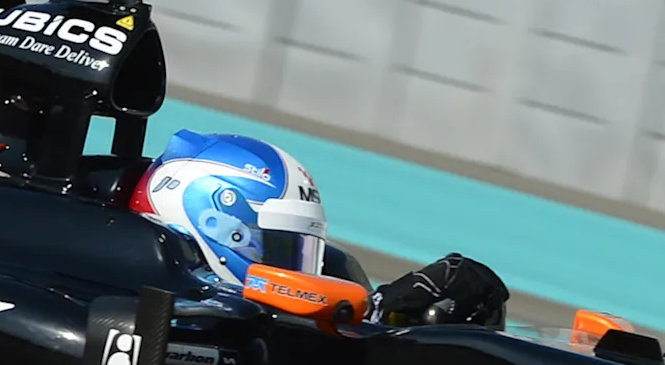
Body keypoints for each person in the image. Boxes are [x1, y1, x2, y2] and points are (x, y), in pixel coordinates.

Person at [130, 129, 507, 327]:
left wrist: (385, 314)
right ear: (218, 225)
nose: (298, 268)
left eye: (301, 250)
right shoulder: (165, 315)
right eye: (279, 247)